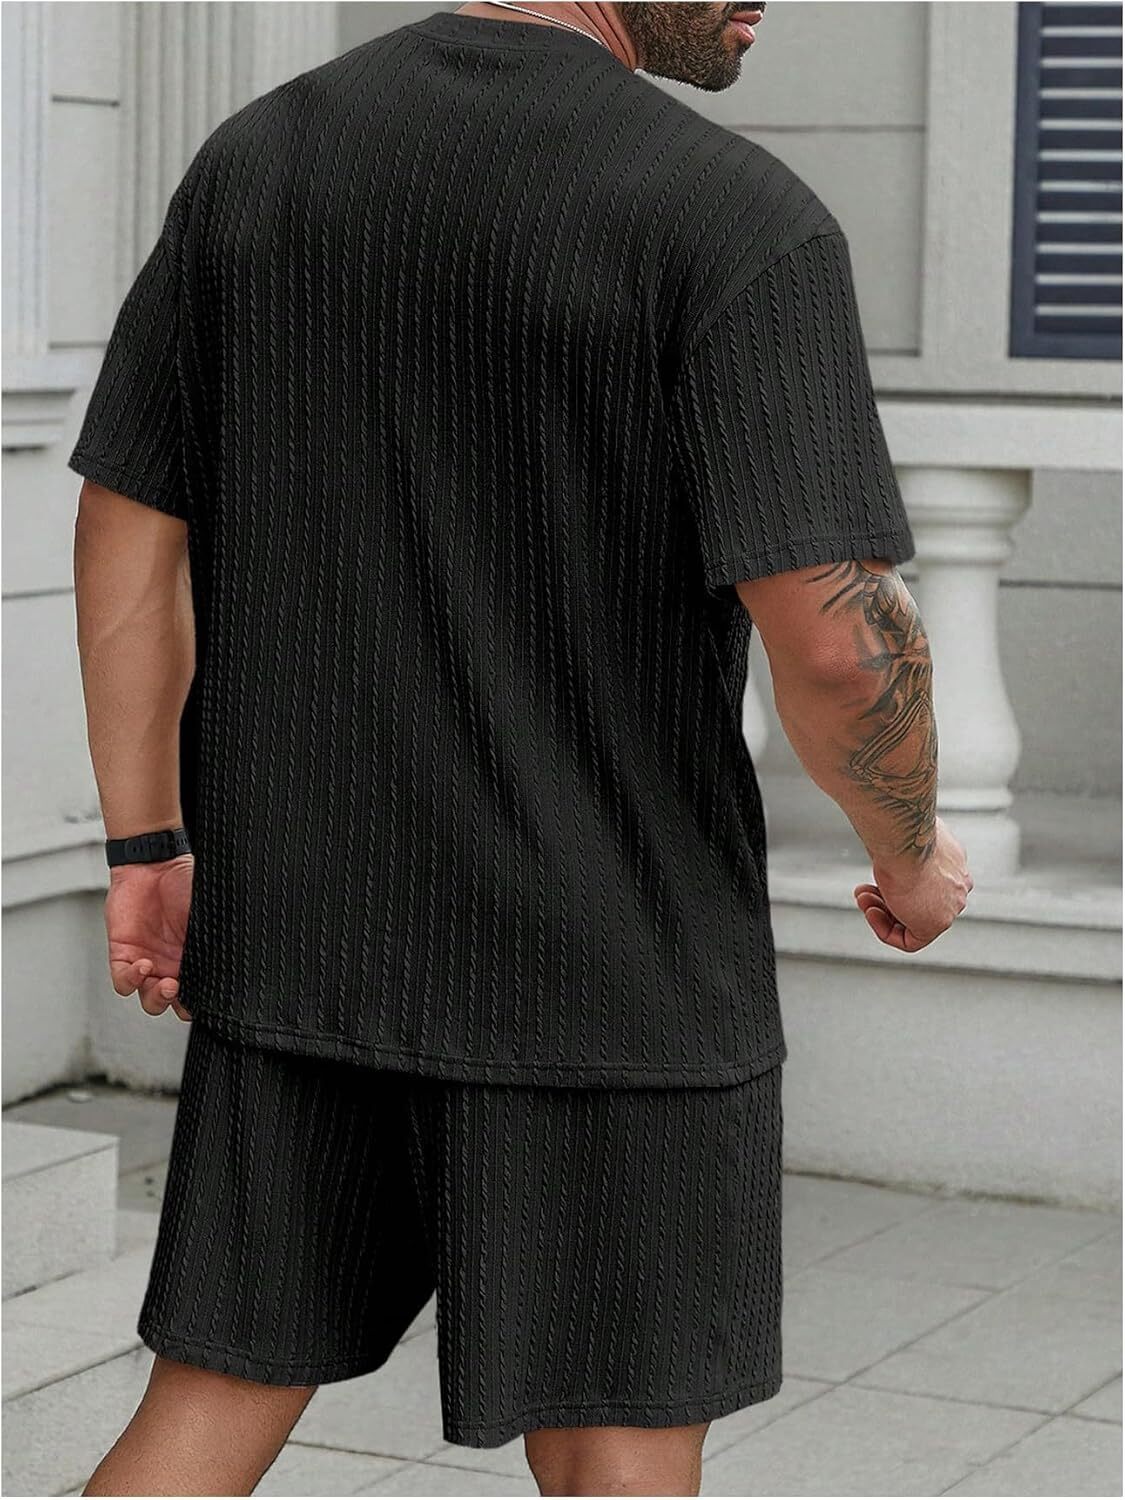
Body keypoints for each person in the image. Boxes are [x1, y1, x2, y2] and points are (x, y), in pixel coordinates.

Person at [69, 3, 972, 1494]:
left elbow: (128, 515)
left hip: (305, 937)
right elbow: (834, 636)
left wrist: (146, 841)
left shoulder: (263, 161)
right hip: (607, 965)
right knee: (615, 1454)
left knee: (206, 1410)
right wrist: (913, 853)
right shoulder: (731, 216)